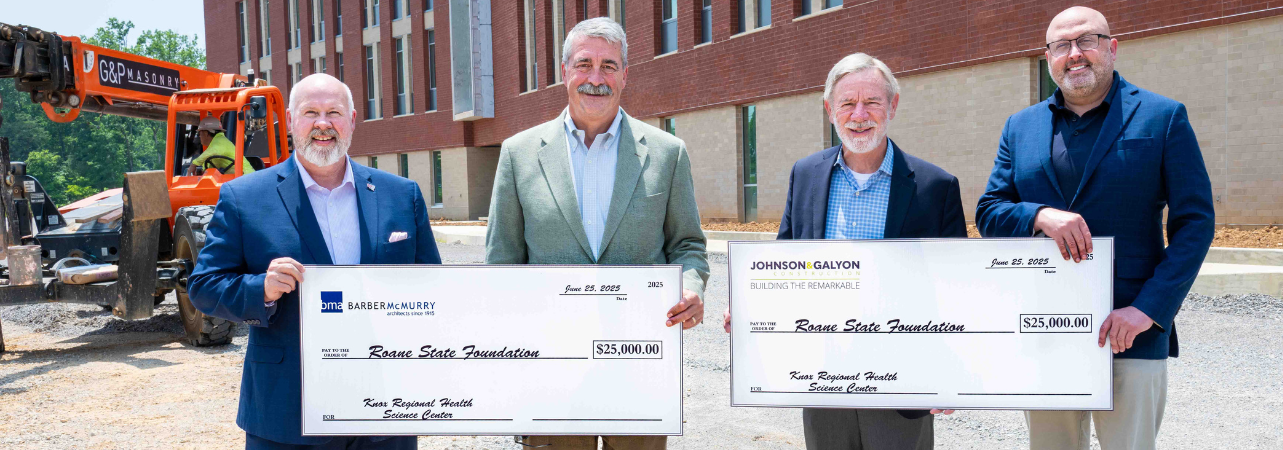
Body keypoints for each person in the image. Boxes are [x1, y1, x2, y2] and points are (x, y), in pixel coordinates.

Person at [975, 7, 1215, 450]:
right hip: (1047, 327)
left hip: (1130, 331)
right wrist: (1038, 215)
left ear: (1112, 47)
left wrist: (1149, 311)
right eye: (1062, 46)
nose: (1075, 54)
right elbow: (989, 211)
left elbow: (1196, 223)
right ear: (1049, 58)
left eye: (1086, 41)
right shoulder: (1020, 127)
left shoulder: (1162, 117)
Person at [484, 17, 708, 450]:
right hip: (551, 367)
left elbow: (688, 244)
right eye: (584, 64)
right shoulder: (518, 153)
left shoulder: (667, 153)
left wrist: (692, 286)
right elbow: (502, 263)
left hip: (641, 362)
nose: (595, 78)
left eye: (609, 66)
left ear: (625, 75)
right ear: (565, 72)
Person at [724, 53, 966, 449]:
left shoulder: (935, 186)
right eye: (847, 103)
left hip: (903, 383)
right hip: (823, 377)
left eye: (872, 102)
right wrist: (751, 304)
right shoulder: (805, 175)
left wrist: (946, 370)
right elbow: (784, 262)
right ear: (829, 110)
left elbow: (955, 289)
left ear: (893, 106)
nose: (859, 114)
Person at [188, 73, 441, 450]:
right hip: (287, 413)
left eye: (334, 112)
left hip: (384, 412)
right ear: (291, 121)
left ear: (352, 121)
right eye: (310, 112)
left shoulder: (401, 195)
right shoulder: (244, 198)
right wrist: (262, 289)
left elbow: (435, 290)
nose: (323, 124)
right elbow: (205, 287)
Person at [192, 115, 257, 174]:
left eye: (199, 134)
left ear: (206, 133)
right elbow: (210, 165)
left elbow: (212, 151)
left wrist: (194, 164)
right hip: (233, 179)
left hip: (245, 178)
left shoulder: (220, 142)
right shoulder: (214, 146)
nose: (199, 137)